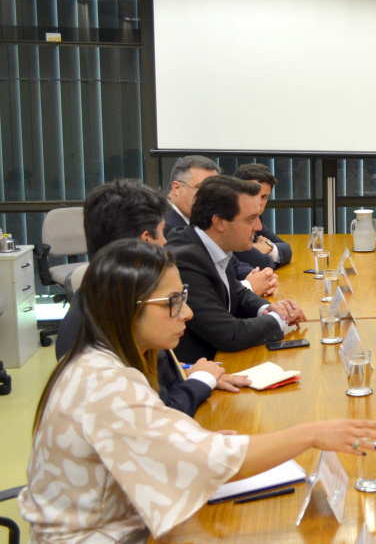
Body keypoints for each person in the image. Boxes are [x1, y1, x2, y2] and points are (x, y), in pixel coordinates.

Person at [19, 239, 376, 542]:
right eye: (172, 303)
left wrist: (187, 439)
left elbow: (155, 434)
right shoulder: (105, 383)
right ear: (127, 309)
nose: (188, 313)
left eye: (184, 297)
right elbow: (212, 461)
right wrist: (312, 434)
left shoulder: (102, 360)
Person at [56, 179, 250, 417]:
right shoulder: (102, 342)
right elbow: (158, 415)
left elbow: (155, 385)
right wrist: (199, 382)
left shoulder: (103, 301)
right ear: (146, 240)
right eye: (162, 233)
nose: (167, 242)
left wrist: (188, 375)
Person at [166, 176, 307, 362]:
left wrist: (268, 308)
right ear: (219, 222)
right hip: (198, 370)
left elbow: (233, 290)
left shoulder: (210, 244)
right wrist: (280, 319)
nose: (258, 227)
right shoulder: (184, 259)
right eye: (250, 219)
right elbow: (228, 334)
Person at [164, 155, 278, 297]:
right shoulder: (164, 228)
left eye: (215, 191)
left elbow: (229, 262)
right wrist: (249, 285)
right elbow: (197, 291)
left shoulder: (198, 220)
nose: (210, 197)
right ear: (176, 187)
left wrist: (254, 275)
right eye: (203, 189)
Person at [231, 163, 293, 277]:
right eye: (253, 195)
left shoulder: (256, 217)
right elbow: (260, 263)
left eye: (264, 197)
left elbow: (286, 249)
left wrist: (268, 246)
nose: (258, 203)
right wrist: (262, 254)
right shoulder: (230, 219)